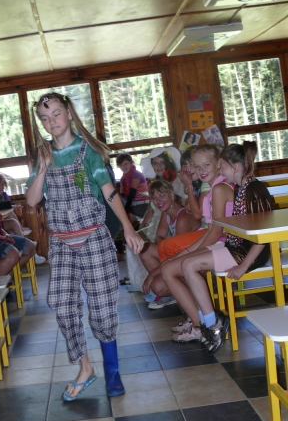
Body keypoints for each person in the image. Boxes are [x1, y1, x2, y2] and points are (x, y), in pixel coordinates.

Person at [26, 92, 144, 401]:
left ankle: (113, 371)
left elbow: (109, 193)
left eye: (56, 114)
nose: (51, 121)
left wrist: (128, 228)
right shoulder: (43, 155)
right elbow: (32, 200)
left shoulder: (88, 152)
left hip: (93, 237)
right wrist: (42, 167)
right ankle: (86, 367)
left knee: (102, 309)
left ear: (68, 113)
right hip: (62, 242)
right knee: (62, 304)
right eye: (45, 118)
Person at [161, 141, 273, 354]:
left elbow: (262, 235)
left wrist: (243, 266)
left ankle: (211, 324)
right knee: (187, 263)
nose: (220, 171)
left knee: (189, 264)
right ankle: (208, 322)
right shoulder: (243, 187)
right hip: (236, 247)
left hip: (245, 253)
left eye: (221, 167)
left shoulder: (254, 189)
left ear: (236, 167)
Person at [139, 179, 200, 309]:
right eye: (154, 198)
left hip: (192, 259)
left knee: (157, 286)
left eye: (162, 195)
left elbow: (178, 256)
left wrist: (152, 274)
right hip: (179, 257)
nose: (158, 201)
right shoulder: (166, 213)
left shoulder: (182, 217)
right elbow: (159, 237)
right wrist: (166, 248)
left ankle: (184, 290)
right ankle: (173, 287)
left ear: (172, 195)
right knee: (145, 249)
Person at [0, 172, 46, 265]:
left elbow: (8, 208)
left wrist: (12, 207)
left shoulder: (4, 195)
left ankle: (17, 262)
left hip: (1, 223)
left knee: (13, 232)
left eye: (2, 184)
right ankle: (32, 253)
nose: (0, 186)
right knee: (13, 223)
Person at [116, 153, 149, 223]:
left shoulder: (136, 174)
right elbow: (122, 195)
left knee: (121, 220)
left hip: (143, 205)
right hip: (132, 205)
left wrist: (125, 210)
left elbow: (132, 194)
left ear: (131, 163)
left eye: (126, 164)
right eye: (121, 165)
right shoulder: (123, 179)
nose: (123, 167)